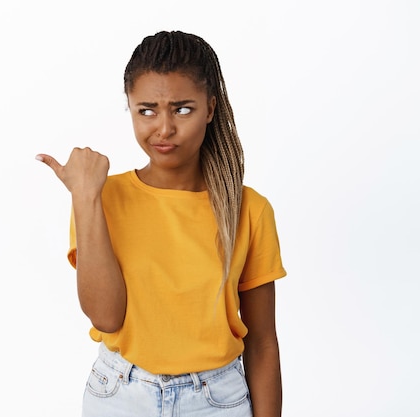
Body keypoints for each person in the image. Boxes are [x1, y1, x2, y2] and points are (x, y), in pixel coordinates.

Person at [36, 30, 286, 417]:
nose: (164, 128)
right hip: (120, 395)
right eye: (147, 110)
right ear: (130, 108)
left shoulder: (249, 209)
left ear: (211, 108)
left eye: (182, 109)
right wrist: (84, 197)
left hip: (217, 400)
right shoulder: (101, 197)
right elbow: (105, 316)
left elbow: (263, 343)